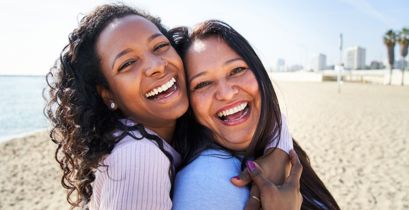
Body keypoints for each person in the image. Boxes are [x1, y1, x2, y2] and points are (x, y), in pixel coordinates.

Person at [45, 4, 297, 210]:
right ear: (108, 94)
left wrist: (278, 152)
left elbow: (262, 111)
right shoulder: (139, 157)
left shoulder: (172, 129)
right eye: (127, 63)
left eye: (160, 46)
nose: (155, 65)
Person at [171, 20, 341, 210]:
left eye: (237, 70)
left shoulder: (279, 147)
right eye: (202, 84)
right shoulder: (206, 182)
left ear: (260, 74)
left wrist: (280, 148)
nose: (226, 93)